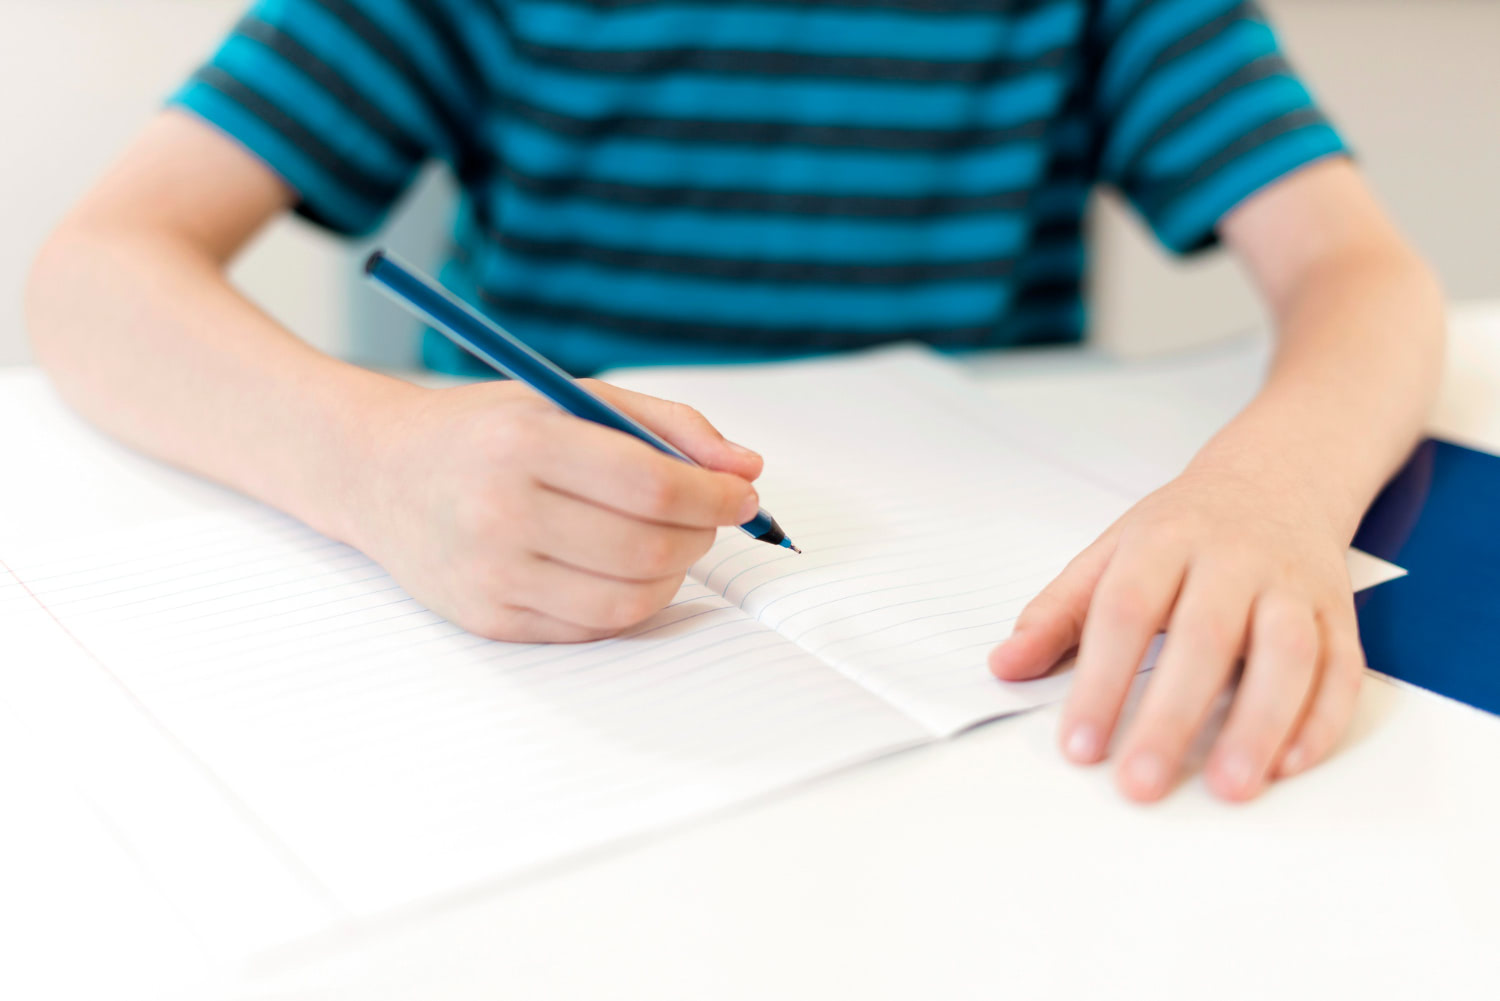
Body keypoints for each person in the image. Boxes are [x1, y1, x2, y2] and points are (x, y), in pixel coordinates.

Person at [24, 0, 1444, 804]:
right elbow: (91, 272)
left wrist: (1274, 490)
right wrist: (369, 457)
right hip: (520, 702)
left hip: (963, 758)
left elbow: (1360, 269)